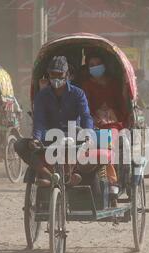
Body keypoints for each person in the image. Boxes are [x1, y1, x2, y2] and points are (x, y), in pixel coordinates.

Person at [15, 56, 94, 187]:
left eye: (60, 74)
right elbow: (39, 120)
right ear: (48, 75)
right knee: (20, 145)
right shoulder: (42, 96)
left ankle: (69, 175)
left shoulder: (78, 94)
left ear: (67, 75)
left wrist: (87, 135)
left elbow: (86, 116)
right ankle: (50, 177)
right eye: (52, 74)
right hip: (48, 138)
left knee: (85, 149)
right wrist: (36, 139)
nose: (56, 78)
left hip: (72, 137)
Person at [81, 53, 128, 207]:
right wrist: (94, 117)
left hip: (113, 123)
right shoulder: (86, 86)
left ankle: (112, 183)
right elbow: (85, 108)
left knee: (108, 143)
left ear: (104, 65)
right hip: (93, 123)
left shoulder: (114, 84)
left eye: (97, 63)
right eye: (91, 64)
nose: (95, 67)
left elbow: (122, 106)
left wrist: (112, 114)